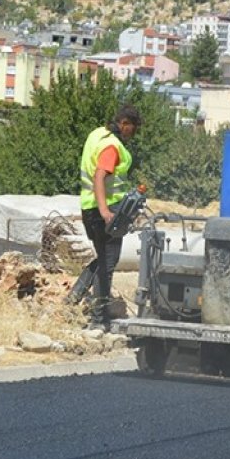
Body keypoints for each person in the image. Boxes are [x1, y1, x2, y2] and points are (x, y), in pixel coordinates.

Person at [78, 104, 141, 329]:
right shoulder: (112, 147)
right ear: (124, 124)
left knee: (104, 258)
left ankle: (75, 296)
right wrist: (106, 211)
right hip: (105, 212)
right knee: (107, 263)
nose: (132, 135)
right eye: (132, 129)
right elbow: (99, 176)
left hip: (89, 207)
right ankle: (98, 319)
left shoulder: (97, 134)